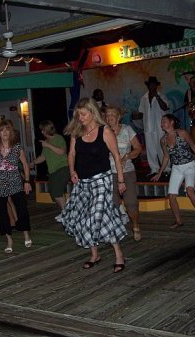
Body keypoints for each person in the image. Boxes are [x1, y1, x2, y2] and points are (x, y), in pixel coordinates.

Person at [63, 97, 128, 273]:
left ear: (92, 113)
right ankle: (97, 254)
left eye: (83, 114)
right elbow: (71, 154)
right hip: (83, 182)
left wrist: (121, 180)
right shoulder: (77, 132)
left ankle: (117, 255)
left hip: (101, 180)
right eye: (78, 114)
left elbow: (116, 156)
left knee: (96, 214)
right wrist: (72, 171)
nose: (80, 117)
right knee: (90, 217)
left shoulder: (105, 131)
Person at [0, 120, 32, 253]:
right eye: (2, 130)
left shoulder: (17, 147)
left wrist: (27, 181)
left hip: (15, 182)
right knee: (1, 213)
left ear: (11, 132)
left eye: (7, 129)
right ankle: (9, 239)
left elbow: (25, 165)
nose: (5, 132)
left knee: (22, 208)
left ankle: (25, 233)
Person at [151, 114, 195, 229]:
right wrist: (159, 172)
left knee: (190, 190)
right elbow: (166, 157)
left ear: (172, 122)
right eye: (161, 121)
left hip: (190, 165)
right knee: (171, 195)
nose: (162, 123)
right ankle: (178, 221)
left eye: (164, 121)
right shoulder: (163, 140)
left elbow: (193, 146)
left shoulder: (182, 133)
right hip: (176, 168)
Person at [105, 106, 142, 241]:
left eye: (112, 114)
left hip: (127, 172)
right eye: (107, 115)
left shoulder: (127, 129)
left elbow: (138, 148)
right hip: (110, 173)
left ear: (119, 117)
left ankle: (136, 225)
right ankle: (115, 229)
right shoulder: (103, 132)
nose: (109, 117)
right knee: (112, 203)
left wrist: (126, 156)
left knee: (131, 202)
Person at [30, 120, 69, 222]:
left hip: (62, 168)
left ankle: (65, 213)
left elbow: (62, 151)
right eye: (41, 130)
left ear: (48, 129)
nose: (42, 132)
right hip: (52, 171)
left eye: (43, 130)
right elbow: (43, 157)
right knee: (53, 192)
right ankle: (66, 210)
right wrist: (33, 163)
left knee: (57, 191)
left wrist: (48, 146)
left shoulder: (58, 138)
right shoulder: (46, 142)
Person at [138, 76, 171, 175]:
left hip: (160, 127)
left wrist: (157, 97)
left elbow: (165, 107)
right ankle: (154, 169)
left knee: (162, 148)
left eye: (154, 84)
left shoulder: (162, 96)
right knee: (150, 150)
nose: (152, 86)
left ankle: (166, 169)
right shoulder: (143, 98)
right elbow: (141, 112)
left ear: (156, 86)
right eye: (150, 84)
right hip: (148, 127)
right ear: (148, 86)